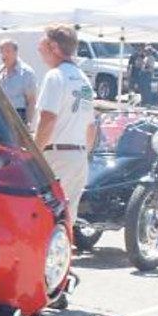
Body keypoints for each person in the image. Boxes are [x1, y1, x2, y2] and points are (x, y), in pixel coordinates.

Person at [33, 24, 96, 222]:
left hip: (55, 156)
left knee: (43, 219)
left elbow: (48, 119)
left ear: (53, 46)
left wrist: (34, 155)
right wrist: (81, 155)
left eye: (42, 42)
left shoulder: (55, 76)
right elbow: (91, 127)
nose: (38, 47)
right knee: (67, 221)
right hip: (78, 157)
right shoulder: (84, 79)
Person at [0, 38, 37, 123]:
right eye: (1, 52)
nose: (4, 55)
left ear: (15, 52)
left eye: (7, 51)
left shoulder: (26, 73)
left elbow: (31, 100)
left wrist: (28, 123)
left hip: (17, 115)